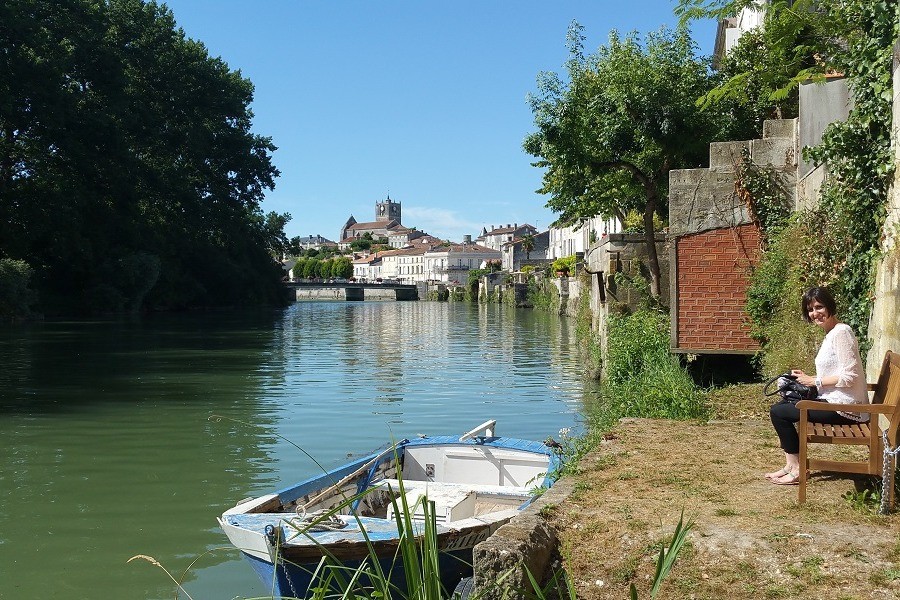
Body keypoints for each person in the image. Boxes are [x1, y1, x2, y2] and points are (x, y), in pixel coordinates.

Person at [765, 286, 869, 485]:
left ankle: (797, 470)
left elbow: (850, 376)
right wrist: (807, 377)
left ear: (830, 306)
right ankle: (791, 465)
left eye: (819, 307)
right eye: (811, 309)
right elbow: (835, 372)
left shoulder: (841, 333)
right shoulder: (831, 333)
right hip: (836, 401)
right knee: (780, 408)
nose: (815, 313)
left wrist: (815, 381)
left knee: (779, 413)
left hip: (847, 408)